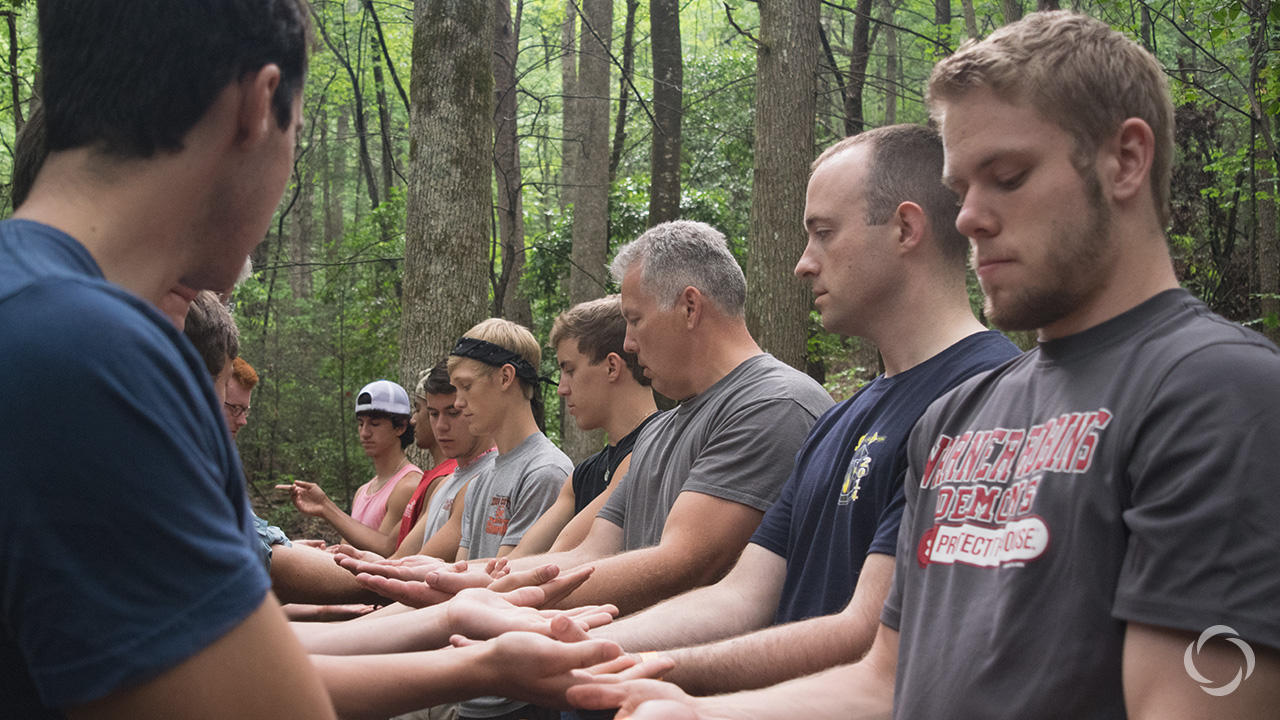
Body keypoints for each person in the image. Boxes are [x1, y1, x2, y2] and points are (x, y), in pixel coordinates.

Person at [568, 11, 1280, 719]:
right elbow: (882, 678)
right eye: (962, 187)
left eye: (1006, 176)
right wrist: (688, 709)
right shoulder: (959, 415)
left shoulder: (1218, 393)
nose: (967, 216)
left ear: (1125, 160)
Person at [0, 3, 631, 718]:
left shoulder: (41, 316)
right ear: (258, 105)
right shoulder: (90, 356)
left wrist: (455, 626)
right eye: (297, 133)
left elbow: (214, 668)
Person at [578, 125, 1020, 699]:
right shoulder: (838, 420)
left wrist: (612, 670)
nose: (803, 264)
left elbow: (869, 638)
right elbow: (744, 596)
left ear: (906, 228)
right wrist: (590, 648)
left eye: (824, 233)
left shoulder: (989, 397)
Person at [354, 222, 834, 626]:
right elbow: (588, 555)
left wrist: (492, 602)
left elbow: (684, 562)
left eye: (634, 319)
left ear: (689, 307)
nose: (626, 343)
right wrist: (469, 580)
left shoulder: (773, 403)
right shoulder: (662, 430)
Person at [508, 295, 661, 558]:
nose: (562, 389)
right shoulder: (583, 475)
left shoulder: (658, 446)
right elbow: (518, 561)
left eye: (570, 370)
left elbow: (552, 563)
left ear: (612, 366)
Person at [280, 379, 425, 549]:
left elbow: (384, 552)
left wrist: (325, 507)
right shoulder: (363, 491)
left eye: (375, 424)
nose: (364, 433)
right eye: (361, 423)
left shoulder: (408, 485)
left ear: (400, 427)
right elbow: (348, 548)